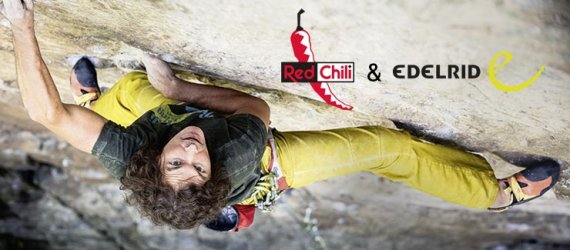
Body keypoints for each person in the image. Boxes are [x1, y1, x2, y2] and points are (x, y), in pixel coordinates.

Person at [2, 0, 561, 232]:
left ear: (153, 156)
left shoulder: (134, 155)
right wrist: (184, 90)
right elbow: (255, 107)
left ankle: (101, 101)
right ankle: (491, 194)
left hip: (162, 127)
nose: (193, 150)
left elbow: (45, 110)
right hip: (272, 162)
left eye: (181, 157)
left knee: (127, 90)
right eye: (197, 165)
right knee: (389, 146)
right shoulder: (236, 149)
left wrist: (21, 24)